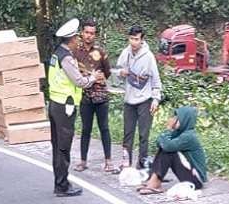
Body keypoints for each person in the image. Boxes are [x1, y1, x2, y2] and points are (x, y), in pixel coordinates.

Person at [48, 18, 104, 197]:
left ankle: (61, 181)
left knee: (58, 145)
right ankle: (62, 186)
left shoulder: (56, 53)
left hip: (55, 103)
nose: (78, 41)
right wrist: (93, 77)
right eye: (76, 38)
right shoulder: (66, 58)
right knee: (63, 147)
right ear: (71, 39)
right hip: (66, 106)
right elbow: (79, 82)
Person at [116, 25, 162, 171]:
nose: (133, 42)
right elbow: (116, 72)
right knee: (127, 133)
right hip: (129, 99)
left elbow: (156, 79)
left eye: (136, 39)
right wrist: (120, 73)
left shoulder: (148, 57)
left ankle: (142, 163)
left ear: (142, 40)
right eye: (131, 39)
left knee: (144, 134)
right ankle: (126, 163)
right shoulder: (126, 53)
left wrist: (156, 99)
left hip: (145, 99)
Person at [73, 19, 114, 173]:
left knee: (104, 128)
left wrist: (99, 78)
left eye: (92, 33)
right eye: (87, 32)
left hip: (101, 96)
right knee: (86, 129)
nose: (89, 36)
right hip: (85, 96)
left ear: (95, 35)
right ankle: (83, 161)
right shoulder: (75, 52)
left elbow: (107, 72)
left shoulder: (101, 52)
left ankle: (108, 161)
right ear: (82, 33)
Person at [137, 106, 208, 195]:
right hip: (189, 174)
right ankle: (153, 180)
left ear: (185, 120)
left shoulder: (189, 136)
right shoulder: (178, 133)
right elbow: (159, 142)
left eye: (176, 118)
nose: (173, 120)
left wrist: (168, 129)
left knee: (169, 151)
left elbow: (167, 145)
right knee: (165, 148)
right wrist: (168, 132)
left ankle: (155, 183)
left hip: (196, 180)